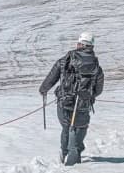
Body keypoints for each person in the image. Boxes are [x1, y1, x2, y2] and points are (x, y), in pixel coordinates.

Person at [39, 32, 105, 165]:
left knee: (66, 127)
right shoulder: (96, 66)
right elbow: (98, 89)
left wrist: (43, 89)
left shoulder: (66, 60)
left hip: (64, 101)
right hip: (82, 104)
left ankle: (64, 153)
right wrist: (89, 96)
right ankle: (74, 154)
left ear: (80, 44)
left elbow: (53, 75)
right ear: (91, 46)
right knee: (79, 128)